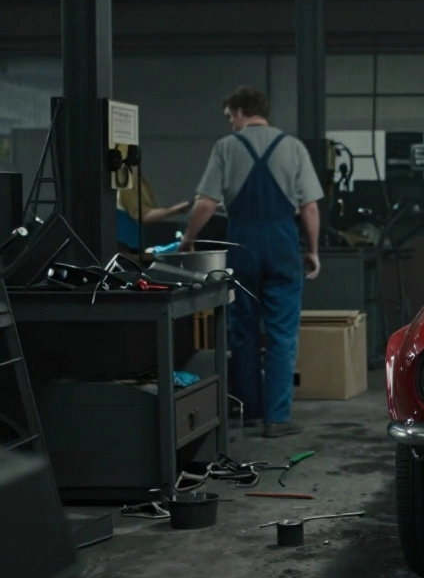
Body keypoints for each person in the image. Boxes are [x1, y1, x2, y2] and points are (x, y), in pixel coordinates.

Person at [179, 86, 324, 439]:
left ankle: (250, 412)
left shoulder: (226, 147)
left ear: (243, 112)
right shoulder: (293, 147)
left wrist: (188, 238)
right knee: (281, 335)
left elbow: (205, 203)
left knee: (242, 331)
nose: (230, 124)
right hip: (282, 244)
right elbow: (309, 207)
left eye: (231, 117)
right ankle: (277, 419)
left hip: (241, 243)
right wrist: (313, 250)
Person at [116, 174, 190, 251]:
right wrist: (176, 209)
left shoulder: (135, 179)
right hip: (130, 246)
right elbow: (143, 215)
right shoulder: (127, 180)